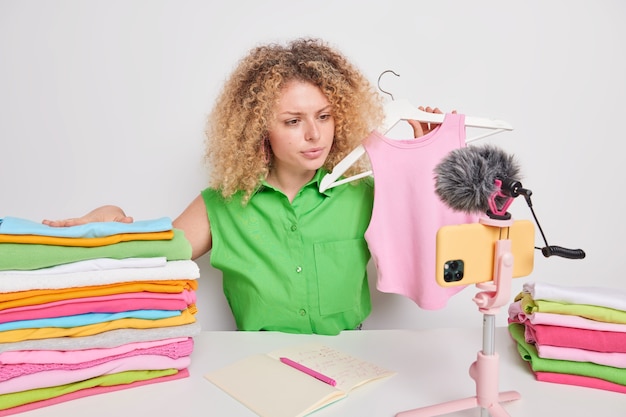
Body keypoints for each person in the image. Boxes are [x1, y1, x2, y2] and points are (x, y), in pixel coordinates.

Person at [43, 38, 441, 335]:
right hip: (259, 366)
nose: (314, 134)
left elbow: (431, 250)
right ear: (259, 129)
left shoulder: (362, 192)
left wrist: (431, 161)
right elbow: (153, 256)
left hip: (352, 358)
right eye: (292, 121)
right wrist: (109, 218)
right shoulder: (222, 204)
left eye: (324, 115)